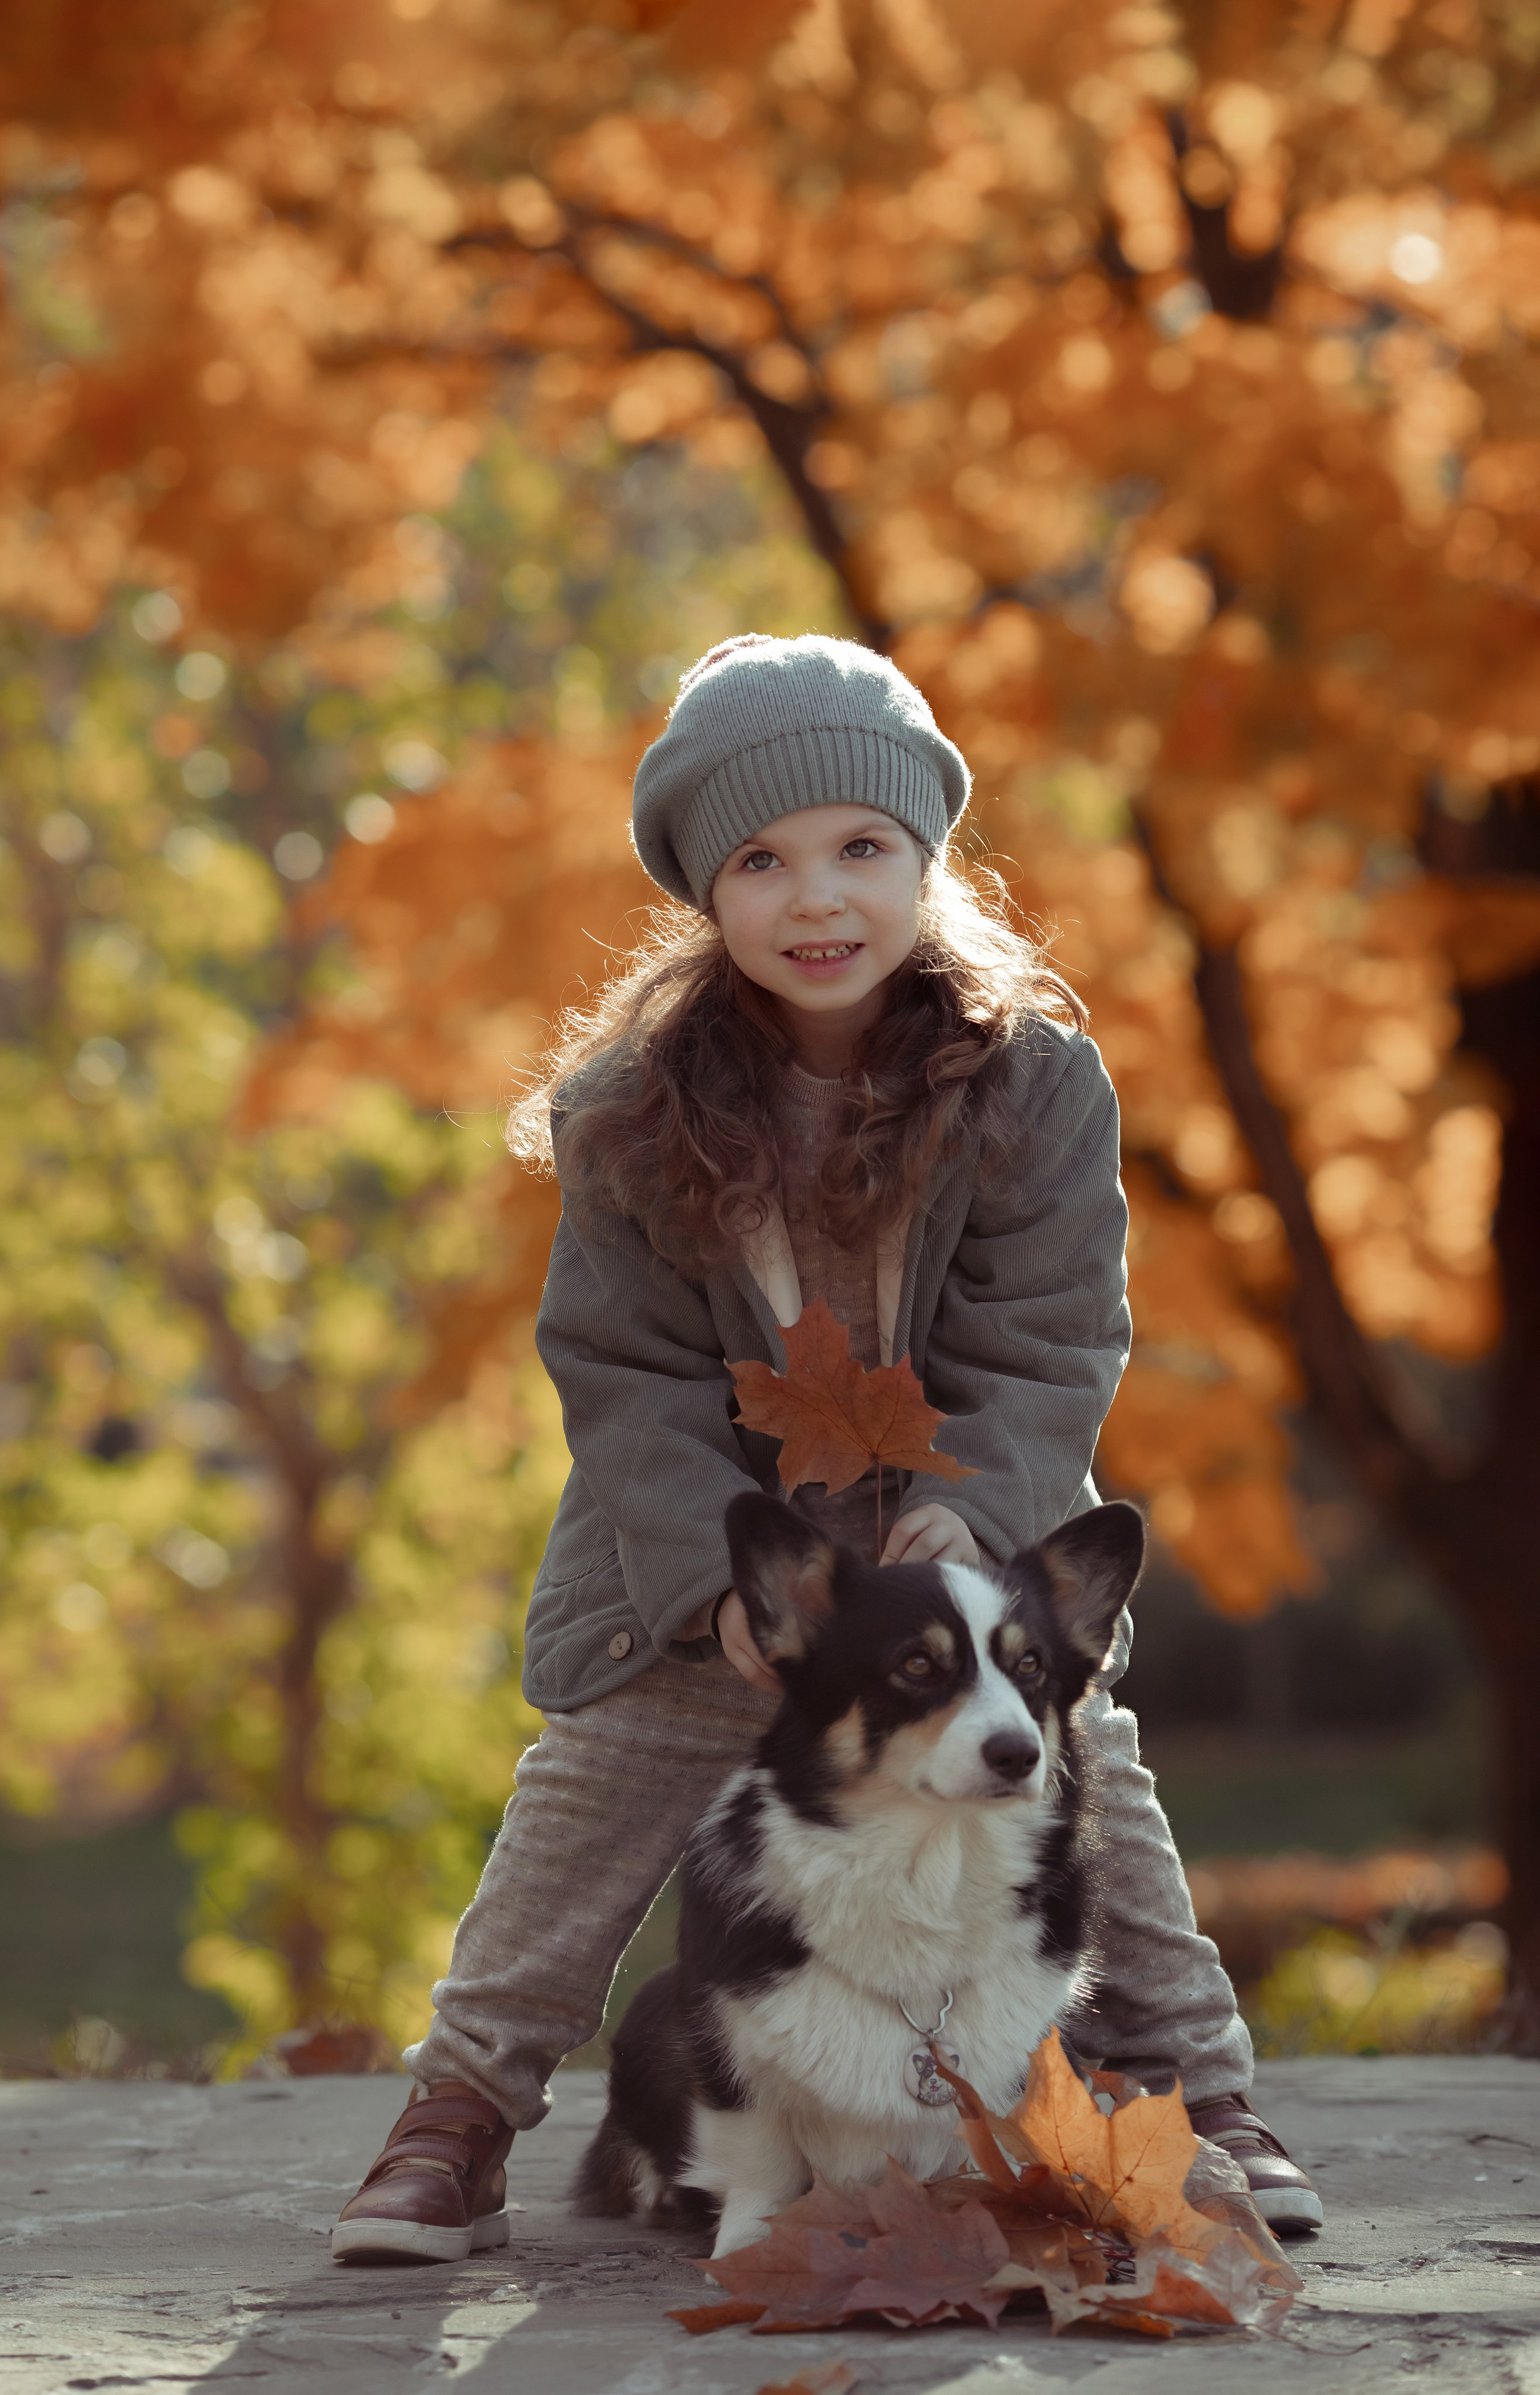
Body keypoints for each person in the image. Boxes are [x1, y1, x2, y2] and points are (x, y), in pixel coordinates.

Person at [332, 632, 1322, 2262]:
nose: (818, 898)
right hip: (720, 1555)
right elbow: (626, 1375)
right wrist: (710, 1582)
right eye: (763, 861)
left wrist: (971, 1515)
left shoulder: (1035, 1084)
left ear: (926, 857)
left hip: (954, 1544)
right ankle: (462, 2110)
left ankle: (1200, 2095)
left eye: (862, 847)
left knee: (1080, 1760)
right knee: (589, 1790)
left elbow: (1049, 1338)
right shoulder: (630, 1110)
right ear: (705, 893)